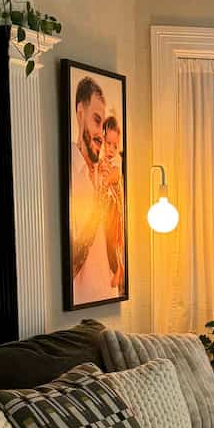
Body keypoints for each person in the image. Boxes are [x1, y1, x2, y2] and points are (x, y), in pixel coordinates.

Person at [71, 76, 118, 305]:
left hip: (108, 297)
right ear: (80, 114)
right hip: (82, 304)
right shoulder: (70, 174)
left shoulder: (102, 173)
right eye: (96, 121)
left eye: (103, 124)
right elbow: (70, 262)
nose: (100, 133)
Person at [98, 114, 125, 293]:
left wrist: (107, 178)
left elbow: (113, 177)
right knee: (109, 241)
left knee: (112, 240)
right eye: (109, 144)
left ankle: (119, 269)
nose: (112, 149)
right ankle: (116, 268)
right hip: (106, 207)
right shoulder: (101, 160)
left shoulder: (116, 162)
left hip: (114, 208)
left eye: (115, 146)